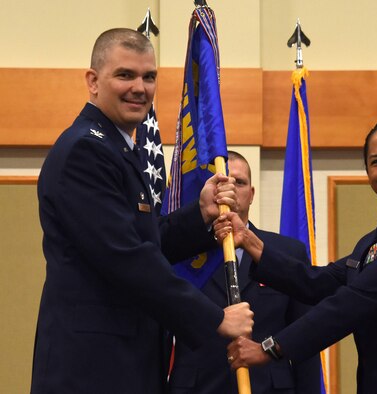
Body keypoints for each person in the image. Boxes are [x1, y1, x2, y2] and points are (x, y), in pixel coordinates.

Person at [31, 28, 253, 394]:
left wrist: (201, 213)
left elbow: (147, 241)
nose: (139, 87)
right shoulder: (85, 152)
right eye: (125, 75)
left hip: (122, 363)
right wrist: (214, 318)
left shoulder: (118, 149)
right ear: (93, 81)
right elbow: (126, 259)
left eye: (149, 77)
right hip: (92, 368)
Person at [216, 116, 377, 394]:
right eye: (376, 162)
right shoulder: (376, 239)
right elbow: (317, 282)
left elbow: (351, 303)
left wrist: (270, 348)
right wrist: (251, 242)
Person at [168, 151, 321, 393]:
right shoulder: (180, 252)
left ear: (251, 195)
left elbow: (306, 338)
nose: (230, 190)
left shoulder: (287, 253)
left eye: (239, 182)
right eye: (222, 182)